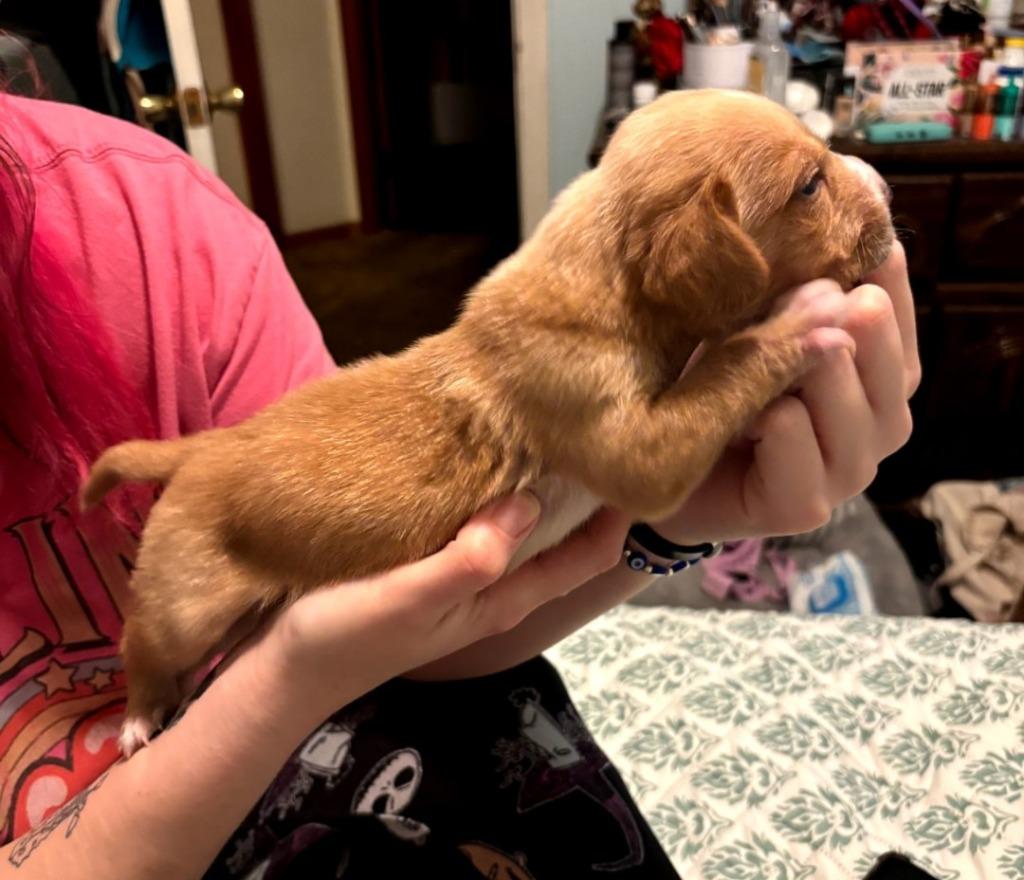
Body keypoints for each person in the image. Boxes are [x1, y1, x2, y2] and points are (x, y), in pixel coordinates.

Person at [0, 92, 919, 879]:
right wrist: (764, 355)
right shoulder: (570, 348)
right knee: (170, 633)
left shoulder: (144, 210)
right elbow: (641, 460)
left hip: (373, 694)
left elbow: (425, 622)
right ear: (700, 257)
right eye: (810, 186)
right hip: (234, 706)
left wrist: (674, 523)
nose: (860, 185)